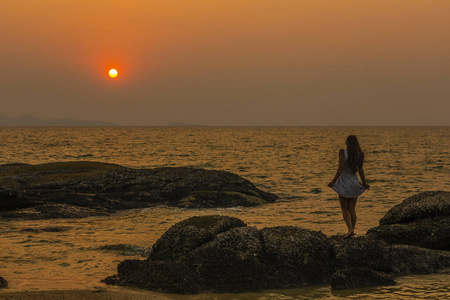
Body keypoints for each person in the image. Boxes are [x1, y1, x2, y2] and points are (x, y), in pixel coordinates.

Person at [328, 135, 370, 238]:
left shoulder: (343, 152)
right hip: (354, 183)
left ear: (347, 143)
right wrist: (364, 183)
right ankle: (351, 230)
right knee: (352, 209)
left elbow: (341, 168)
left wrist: (334, 181)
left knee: (344, 208)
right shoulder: (360, 154)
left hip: (344, 183)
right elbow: (361, 170)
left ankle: (350, 229)